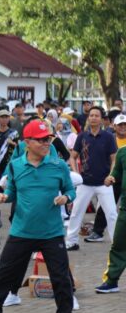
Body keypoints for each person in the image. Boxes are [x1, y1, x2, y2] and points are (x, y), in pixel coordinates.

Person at [0, 119, 76, 313]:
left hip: (52, 233)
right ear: (28, 142)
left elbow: (71, 189)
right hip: (21, 232)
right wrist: (4, 197)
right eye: (41, 140)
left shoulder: (58, 165)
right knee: (3, 276)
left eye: (48, 139)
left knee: (61, 280)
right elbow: (12, 191)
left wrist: (66, 197)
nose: (46, 143)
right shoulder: (16, 165)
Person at [66, 106, 117, 250]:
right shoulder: (82, 136)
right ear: (88, 118)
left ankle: (117, 244)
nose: (93, 117)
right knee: (76, 213)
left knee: (112, 214)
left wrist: (111, 175)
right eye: (91, 115)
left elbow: (114, 159)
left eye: (97, 115)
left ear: (101, 119)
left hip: (104, 183)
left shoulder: (108, 137)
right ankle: (71, 241)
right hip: (85, 183)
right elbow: (72, 157)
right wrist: (76, 174)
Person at [87, 113, 126, 242]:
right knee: (105, 206)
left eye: (125, 125)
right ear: (114, 126)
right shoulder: (109, 138)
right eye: (120, 125)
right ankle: (98, 232)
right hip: (113, 177)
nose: (123, 127)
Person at [96, 134, 126, 293]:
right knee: (119, 245)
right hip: (125, 210)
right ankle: (111, 281)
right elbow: (116, 173)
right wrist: (111, 178)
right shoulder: (123, 152)